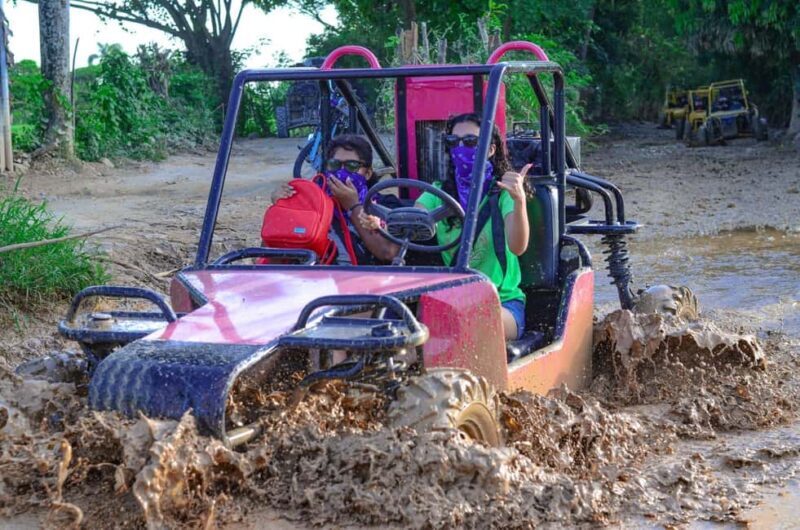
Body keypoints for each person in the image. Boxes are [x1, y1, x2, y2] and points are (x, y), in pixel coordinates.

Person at [360, 113, 530, 340]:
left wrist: (519, 201)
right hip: (451, 301)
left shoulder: (503, 194)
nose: (461, 148)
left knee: (458, 320)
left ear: (490, 150)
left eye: (470, 142)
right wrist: (380, 222)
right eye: (453, 142)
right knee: (384, 318)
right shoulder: (438, 194)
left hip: (502, 303)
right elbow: (413, 218)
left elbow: (518, 247)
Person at [270, 134, 399, 264]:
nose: (341, 172)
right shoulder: (311, 204)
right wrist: (282, 210)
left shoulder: (386, 205)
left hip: (365, 281)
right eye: (334, 164)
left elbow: (388, 252)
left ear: (368, 173)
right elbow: (272, 256)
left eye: (352, 166)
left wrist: (353, 207)